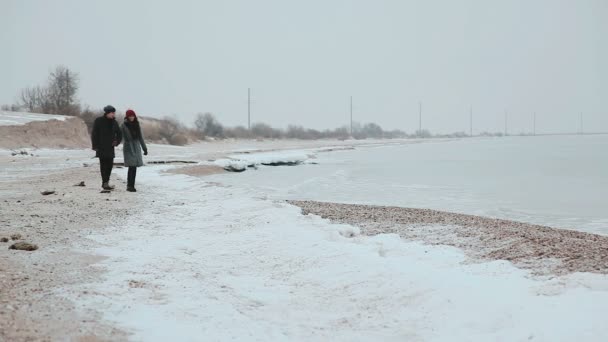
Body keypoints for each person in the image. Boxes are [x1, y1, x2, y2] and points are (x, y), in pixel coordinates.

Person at [91, 105, 122, 190]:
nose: (113, 114)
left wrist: (117, 142)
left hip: (110, 148)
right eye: (112, 113)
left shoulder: (114, 122)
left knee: (110, 166)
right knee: (103, 166)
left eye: (114, 113)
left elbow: (119, 134)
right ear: (107, 113)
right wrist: (95, 146)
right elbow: (94, 134)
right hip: (101, 147)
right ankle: (104, 183)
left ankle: (106, 182)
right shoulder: (98, 121)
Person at [121, 109, 148, 192]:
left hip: (136, 147)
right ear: (127, 117)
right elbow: (119, 135)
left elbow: (141, 137)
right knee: (131, 167)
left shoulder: (137, 124)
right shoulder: (123, 125)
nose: (132, 117)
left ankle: (131, 185)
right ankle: (129, 186)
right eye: (130, 116)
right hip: (129, 147)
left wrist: (144, 148)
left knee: (134, 167)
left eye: (133, 116)